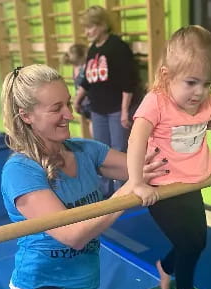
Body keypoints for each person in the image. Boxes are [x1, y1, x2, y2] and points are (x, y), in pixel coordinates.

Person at [0, 64, 168, 289]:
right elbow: (73, 235)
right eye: (56, 108)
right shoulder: (20, 171)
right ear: (26, 116)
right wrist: (130, 188)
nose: (69, 114)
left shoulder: (85, 150)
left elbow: (149, 168)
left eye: (68, 103)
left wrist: (180, 125)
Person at [126, 26, 211, 289]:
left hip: (190, 183)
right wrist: (138, 182)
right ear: (167, 77)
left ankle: (165, 266)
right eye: (191, 82)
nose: (200, 92)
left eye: (207, 84)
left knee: (198, 241)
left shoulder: (206, 103)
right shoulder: (157, 101)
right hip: (162, 187)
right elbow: (137, 138)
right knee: (189, 243)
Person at [73, 5, 141, 198]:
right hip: (98, 109)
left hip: (116, 109)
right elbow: (87, 79)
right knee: (101, 152)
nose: (87, 32)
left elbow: (128, 81)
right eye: (85, 28)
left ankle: (124, 191)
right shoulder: (93, 49)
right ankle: (104, 189)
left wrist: (125, 110)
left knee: (119, 150)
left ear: (102, 25)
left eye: (90, 27)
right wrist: (78, 99)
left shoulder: (117, 47)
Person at [62, 43, 93, 137]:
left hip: (82, 103)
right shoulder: (85, 67)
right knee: (93, 123)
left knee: (91, 122)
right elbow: (83, 89)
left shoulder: (75, 68)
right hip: (86, 101)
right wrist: (76, 101)